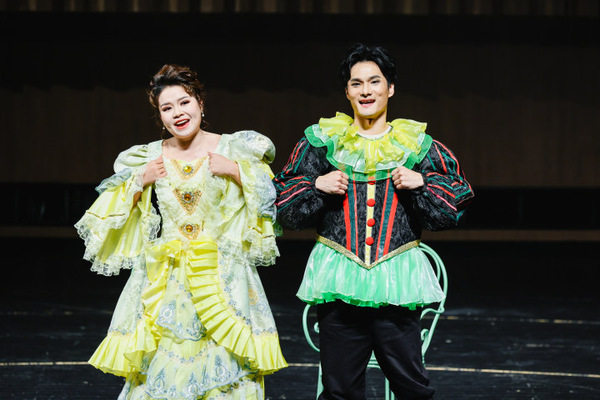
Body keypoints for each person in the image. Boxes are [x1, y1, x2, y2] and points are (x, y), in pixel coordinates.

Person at [273, 43, 474, 399]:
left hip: (398, 281)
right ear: (347, 92)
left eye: (374, 81)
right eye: (356, 83)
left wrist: (422, 181)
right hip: (339, 280)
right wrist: (316, 185)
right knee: (340, 390)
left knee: (411, 387)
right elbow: (283, 203)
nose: (366, 91)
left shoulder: (416, 146)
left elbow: (453, 205)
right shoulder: (322, 143)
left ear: (390, 88)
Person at [75, 64, 287, 399]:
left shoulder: (232, 148)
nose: (178, 113)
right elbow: (110, 210)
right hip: (167, 275)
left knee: (224, 362)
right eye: (167, 108)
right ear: (160, 116)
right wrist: (139, 180)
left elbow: (270, 198)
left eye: (184, 102)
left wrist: (235, 170)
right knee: (161, 359)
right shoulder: (148, 156)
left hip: (222, 273)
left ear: (200, 102)